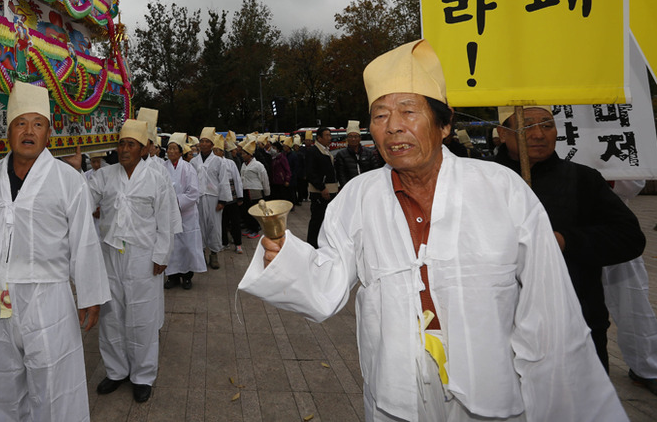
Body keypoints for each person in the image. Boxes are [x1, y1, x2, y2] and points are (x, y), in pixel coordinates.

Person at [239, 39, 628, 421]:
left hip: (490, 387)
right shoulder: (358, 197)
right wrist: (286, 258)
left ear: (443, 125)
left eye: (408, 111)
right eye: (380, 115)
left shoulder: (502, 189)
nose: (393, 127)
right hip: (397, 389)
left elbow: (548, 310)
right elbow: (328, 282)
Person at [0, 81, 109, 422]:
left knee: (56, 389)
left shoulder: (68, 179)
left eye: (37, 124)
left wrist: (90, 294)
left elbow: (85, 240)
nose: (29, 131)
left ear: (49, 132)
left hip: (48, 298)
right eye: (21, 123)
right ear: (8, 131)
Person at [494, 105, 646, 372]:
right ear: (503, 133)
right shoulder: (482, 180)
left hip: (577, 321)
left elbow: (629, 237)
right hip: (502, 327)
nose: (539, 134)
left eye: (547, 124)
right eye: (527, 126)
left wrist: (565, 241)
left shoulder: (583, 179)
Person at [86, 119, 178, 403]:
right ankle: (115, 371)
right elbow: (81, 199)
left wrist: (162, 254)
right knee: (112, 315)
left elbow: (167, 219)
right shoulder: (105, 175)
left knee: (142, 317)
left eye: (131, 145)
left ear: (142, 149)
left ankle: (142, 375)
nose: (125, 149)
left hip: (143, 255)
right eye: (122, 143)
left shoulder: (156, 177)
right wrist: (74, 166)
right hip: (110, 253)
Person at [603, 180, 657, 396]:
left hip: (610, 223)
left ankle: (647, 367)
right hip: (556, 226)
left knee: (631, 298)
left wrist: (600, 174)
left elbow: (633, 184)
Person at [163, 134, 205, 290]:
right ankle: (172, 276)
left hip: (186, 214)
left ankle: (187, 276)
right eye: (169, 148)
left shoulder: (188, 168)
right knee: (171, 246)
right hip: (168, 214)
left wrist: (175, 202)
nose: (171, 151)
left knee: (187, 246)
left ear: (180, 152)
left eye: (174, 149)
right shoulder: (162, 167)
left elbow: (193, 193)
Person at [191, 127, 231, 270]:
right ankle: (200, 253)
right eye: (201, 141)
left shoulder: (219, 162)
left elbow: (224, 181)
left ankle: (214, 254)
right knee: (199, 226)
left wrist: (222, 200)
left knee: (214, 226)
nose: (203, 144)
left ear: (212, 145)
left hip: (214, 198)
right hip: (198, 198)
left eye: (207, 141)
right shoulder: (194, 162)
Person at [304, 126, 337, 248]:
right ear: (319, 138)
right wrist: (322, 187)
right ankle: (312, 245)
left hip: (331, 190)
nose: (330, 138)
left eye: (330, 135)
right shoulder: (313, 151)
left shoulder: (326, 150)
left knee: (327, 220)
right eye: (327, 135)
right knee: (317, 220)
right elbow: (311, 173)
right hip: (320, 192)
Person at [214, 134, 245, 254]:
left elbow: (237, 179)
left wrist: (240, 196)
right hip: (217, 195)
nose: (216, 152)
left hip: (232, 196)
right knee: (222, 221)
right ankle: (224, 242)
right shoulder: (211, 164)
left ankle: (238, 243)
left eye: (218, 150)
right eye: (214, 150)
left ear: (222, 152)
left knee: (235, 221)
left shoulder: (230, 163)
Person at [333, 120, 381, 187]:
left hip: (367, 186)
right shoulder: (341, 155)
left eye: (356, 136)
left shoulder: (369, 153)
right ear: (347, 139)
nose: (353, 139)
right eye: (350, 136)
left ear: (360, 138)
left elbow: (375, 171)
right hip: (350, 187)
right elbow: (341, 175)